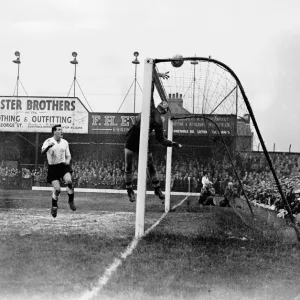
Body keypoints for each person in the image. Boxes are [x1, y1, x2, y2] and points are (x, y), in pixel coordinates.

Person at [124, 79, 182, 202]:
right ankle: (130, 190)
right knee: (129, 161)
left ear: (164, 111)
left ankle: (156, 188)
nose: (161, 108)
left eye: (163, 108)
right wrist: (153, 76)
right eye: (162, 106)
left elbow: (161, 139)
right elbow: (149, 90)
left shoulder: (159, 122)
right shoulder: (150, 106)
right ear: (159, 105)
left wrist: (172, 143)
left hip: (145, 137)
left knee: (150, 163)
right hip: (134, 134)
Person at [41, 124, 76, 218]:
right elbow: (42, 152)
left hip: (63, 166)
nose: (61, 131)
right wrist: (48, 146)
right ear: (54, 132)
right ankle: (54, 206)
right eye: (59, 130)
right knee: (57, 190)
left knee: (69, 182)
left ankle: (71, 200)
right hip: (53, 168)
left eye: (61, 129)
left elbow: (68, 155)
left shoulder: (65, 142)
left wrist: (68, 161)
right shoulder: (48, 141)